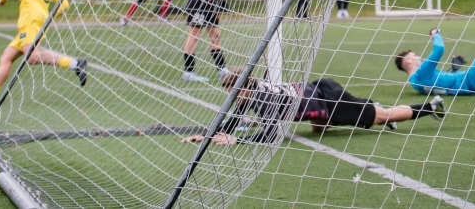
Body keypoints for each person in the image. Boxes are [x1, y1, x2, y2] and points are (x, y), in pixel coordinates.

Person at [180, 68, 445, 144]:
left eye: (235, 92)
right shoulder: (255, 90)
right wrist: (208, 136)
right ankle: (369, 107)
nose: (234, 97)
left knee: (381, 115)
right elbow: (234, 116)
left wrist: (237, 141)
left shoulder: (262, 100)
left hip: (331, 102)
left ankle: (431, 107)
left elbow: (271, 135)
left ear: (246, 88)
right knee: (318, 128)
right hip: (320, 88)